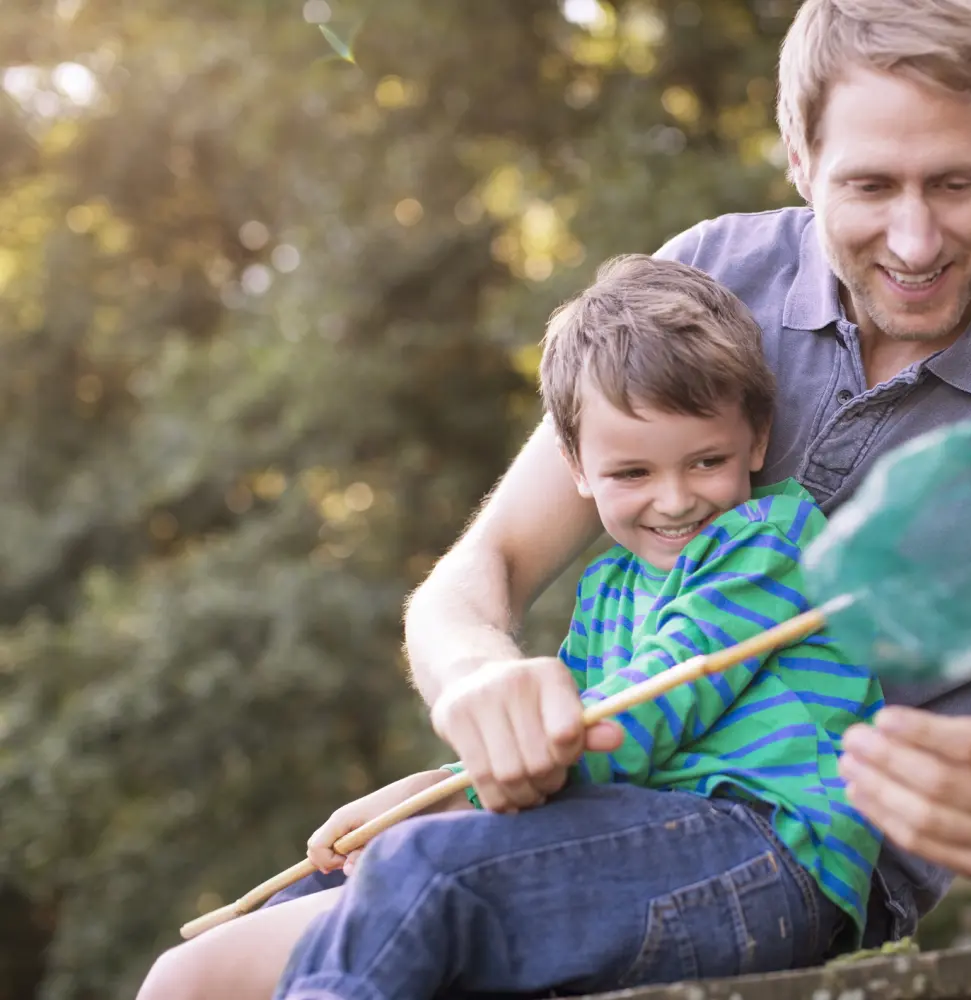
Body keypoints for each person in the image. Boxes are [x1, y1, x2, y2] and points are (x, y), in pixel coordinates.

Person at [403, 0, 971, 947]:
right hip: (601, 808)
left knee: (403, 907)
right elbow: (473, 581)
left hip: (796, 871)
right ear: (798, 157)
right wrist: (482, 703)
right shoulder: (711, 280)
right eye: (871, 187)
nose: (916, 244)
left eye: (956, 184)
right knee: (204, 971)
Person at [137, 255, 886, 999]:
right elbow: (553, 742)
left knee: (425, 869)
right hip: (639, 844)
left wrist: (446, 804)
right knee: (299, 903)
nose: (675, 499)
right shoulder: (608, 590)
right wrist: (429, 789)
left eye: (706, 461)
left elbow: (636, 718)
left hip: (764, 857)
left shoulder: (770, 541)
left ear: (755, 441)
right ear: (577, 468)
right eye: (633, 473)